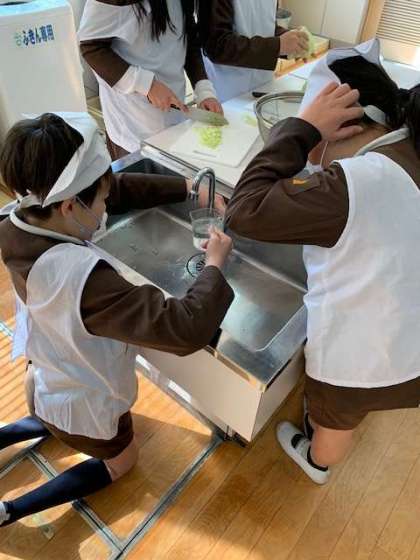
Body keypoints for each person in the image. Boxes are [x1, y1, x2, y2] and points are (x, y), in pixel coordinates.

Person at [0, 111, 234, 525]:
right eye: (102, 202)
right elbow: (183, 327)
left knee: (48, 415)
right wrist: (214, 265)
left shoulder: (19, 219)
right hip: (87, 402)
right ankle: (10, 510)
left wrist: (186, 188)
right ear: (70, 204)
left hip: (45, 372)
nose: (108, 205)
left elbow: (115, 188)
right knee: (123, 460)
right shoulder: (84, 282)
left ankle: (23, 429)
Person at [225, 39, 420, 484]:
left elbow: (244, 210)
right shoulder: (409, 145)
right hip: (412, 345)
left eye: (316, 138)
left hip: (362, 354)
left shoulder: (352, 184)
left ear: (342, 126)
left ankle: (316, 462)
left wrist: (300, 128)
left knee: (336, 417)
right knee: (373, 395)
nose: (311, 159)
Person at [78, 0, 223, 160]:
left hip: (173, 112)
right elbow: (90, 47)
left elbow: (188, 37)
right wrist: (147, 85)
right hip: (132, 121)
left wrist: (204, 90)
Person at [198, 0, 309, 102]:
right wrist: (278, 45)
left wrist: (292, 41)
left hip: (264, 86)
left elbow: (265, 26)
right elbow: (218, 45)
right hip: (227, 92)